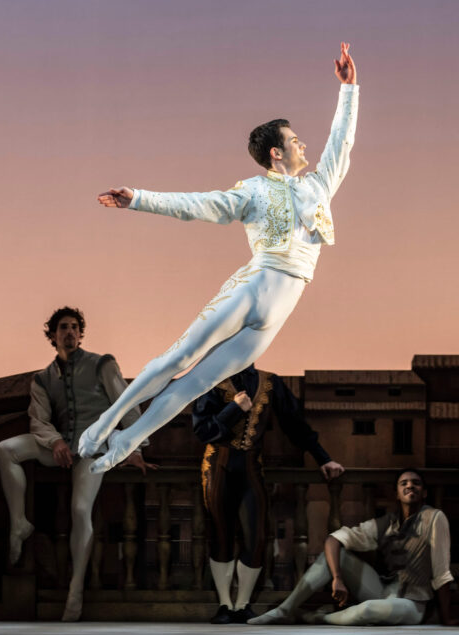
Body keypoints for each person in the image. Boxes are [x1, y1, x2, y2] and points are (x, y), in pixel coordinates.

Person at [78, 43, 359, 474]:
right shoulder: (253, 190)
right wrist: (140, 198)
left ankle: (124, 442)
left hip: (280, 311)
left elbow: (342, 142)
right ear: (276, 153)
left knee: (195, 385)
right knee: (178, 359)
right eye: (294, 140)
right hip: (254, 288)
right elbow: (198, 204)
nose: (303, 144)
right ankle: (105, 424)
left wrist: (349, 89)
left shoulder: (318, 187)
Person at [0, 307, 155, 622]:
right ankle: (19, 523)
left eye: (74, 327)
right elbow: (38, 420)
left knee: (81, 510)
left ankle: (75, 590)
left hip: (92, 449)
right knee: (5, 449)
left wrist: (135, 446)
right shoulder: (42, 379)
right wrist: (54, 441)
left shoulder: (102, 364)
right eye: (63, 328)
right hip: (61, 447)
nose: (69, 332)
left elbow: (125, 402)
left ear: (80, 334)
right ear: (53, 336)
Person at [192, 364, 345, 624]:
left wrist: (323, 458)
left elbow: (294, 424)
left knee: (257, 535)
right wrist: (233, 408)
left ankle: (243, 605)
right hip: (217, 466)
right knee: (220, 534)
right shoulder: (211, 380)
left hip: (252, 466)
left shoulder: (271, 382)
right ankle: (225, 605)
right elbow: (203, 431)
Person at [249, 469, 455, 626]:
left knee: (367, 610)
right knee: (334, 557)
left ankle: (315, 618)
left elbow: (442, 573)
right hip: (384, 590)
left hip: (412, 603)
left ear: (424, 492)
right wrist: (337, 577)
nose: (410, 486)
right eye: (404, 483)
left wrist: (447, 619)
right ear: (397, 494)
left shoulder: (434, 518)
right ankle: (284, 610)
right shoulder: (386, 523)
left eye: (416, 483)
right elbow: (334, 539)